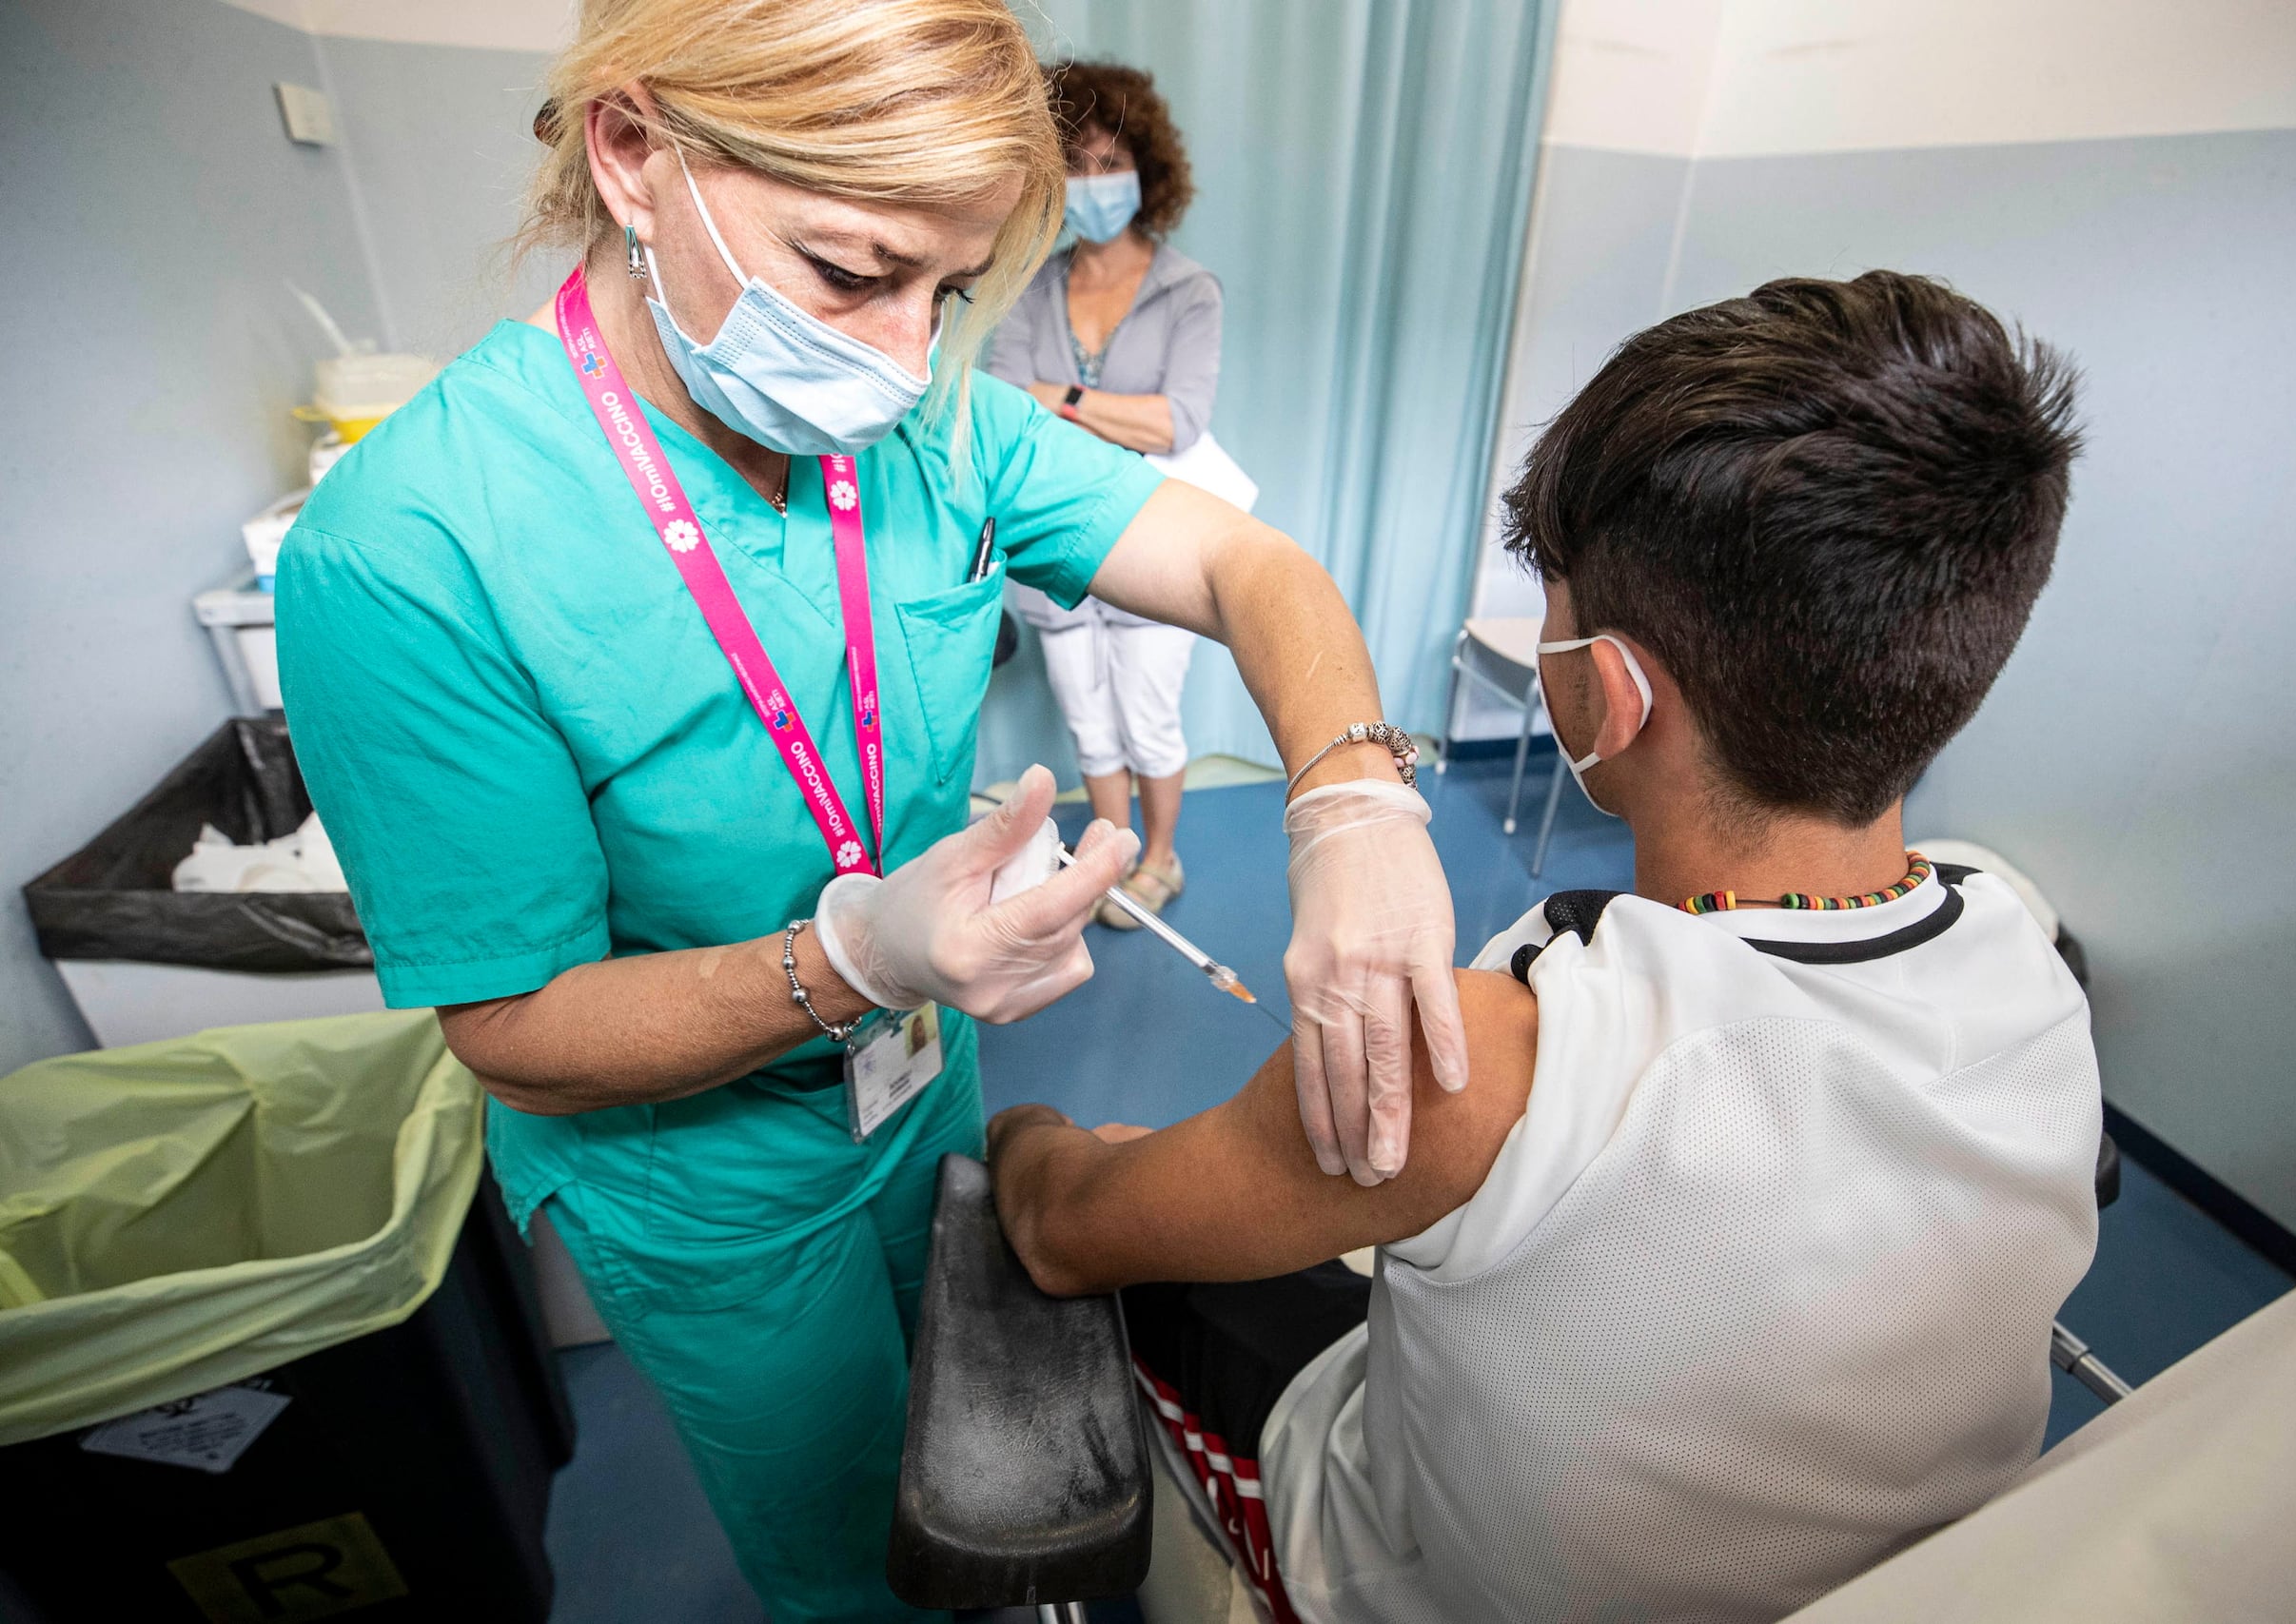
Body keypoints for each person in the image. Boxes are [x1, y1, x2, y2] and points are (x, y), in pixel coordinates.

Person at [271, 4, 1463, 1618]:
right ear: (633, 152)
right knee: (859, 1553)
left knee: (974, 1423)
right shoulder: (412, 550)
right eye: (850, 273)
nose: (909, 355)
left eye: (953, 292)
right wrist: (852, 954)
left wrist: (1352, 802)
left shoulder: (936, 418)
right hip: (708, 1182)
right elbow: (511, 1024)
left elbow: (1250, 564)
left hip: (923, 1084)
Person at [989, 272, 2102, 1623]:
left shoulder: (1493, 1058)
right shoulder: (2029, 959)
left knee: (1106, 1245)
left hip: (1384, 1565)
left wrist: (1043, 1140)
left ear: (1611, 689)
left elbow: (1061, 1232)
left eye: (1555, 610)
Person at [987, 61, 1221, 928]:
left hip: (1152, 538)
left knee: (1149, 718)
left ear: (1146, 170)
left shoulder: (1186, 290)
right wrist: (1085, 410)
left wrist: (1067, 398)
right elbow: (1006, 404)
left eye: (1109, 160)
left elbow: (1179, 422)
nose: (1092, 182)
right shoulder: (1031, 285)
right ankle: (1113, 856)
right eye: (1072, 164)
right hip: (1051, 540)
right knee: (1089, 720)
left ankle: (1162, 857)